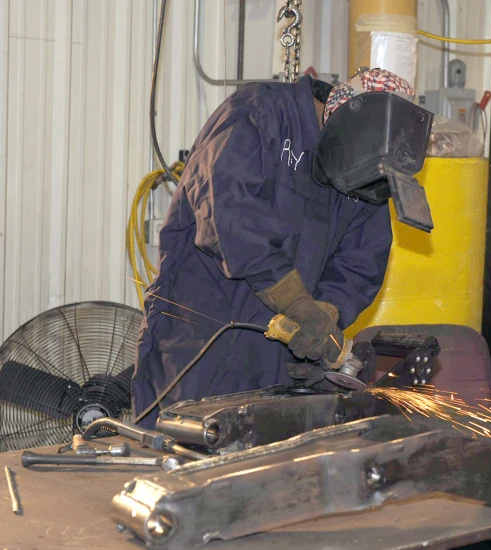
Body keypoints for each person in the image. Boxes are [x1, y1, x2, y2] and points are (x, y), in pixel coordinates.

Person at [131, 69, 415, 429]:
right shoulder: (259, 113)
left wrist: (325, 314)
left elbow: (361, 261)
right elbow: (229, 217)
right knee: (176, 456)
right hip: (199, 344)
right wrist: (299, 305)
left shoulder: (369, 169)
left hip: (275, 359)